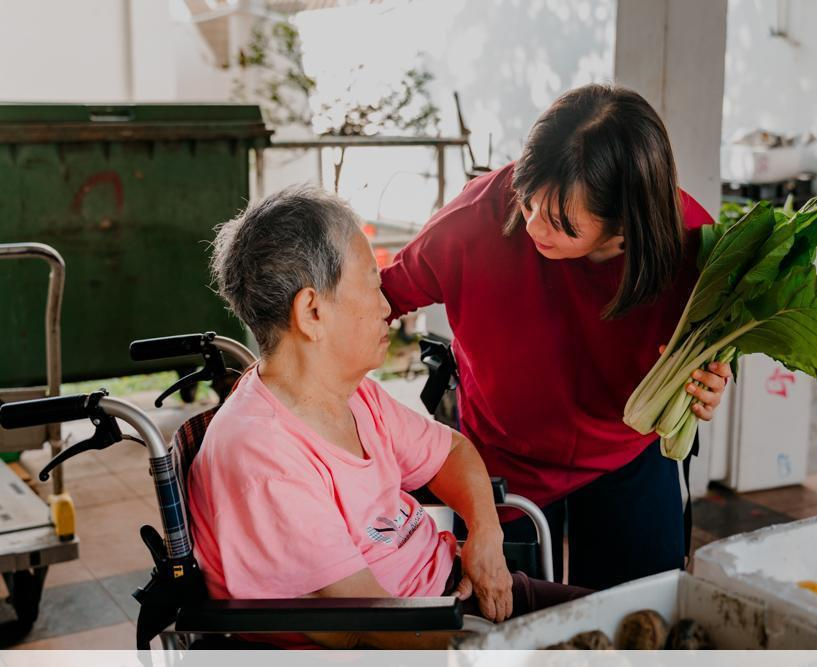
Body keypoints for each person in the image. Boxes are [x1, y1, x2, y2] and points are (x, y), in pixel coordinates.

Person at [188, 187, 589, 649]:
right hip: (416, 635)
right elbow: (368, 627)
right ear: (313, 312)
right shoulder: (263, 458)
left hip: (453, 594)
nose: (387, 309)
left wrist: (484, 531)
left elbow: (450, 452)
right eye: (373, 286)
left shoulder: (352, 395)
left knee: (642, 626)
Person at [381, 84, 733, 590]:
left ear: (625, 225)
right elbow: (380, 299)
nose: (532, 226)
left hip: (628, 455)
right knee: (500, 626)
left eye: (562, 223)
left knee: (635, 619)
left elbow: (712, 352)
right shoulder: (479, 215)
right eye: (528, 202)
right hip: (499, 460)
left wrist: (709, 382)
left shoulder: (692, 246)